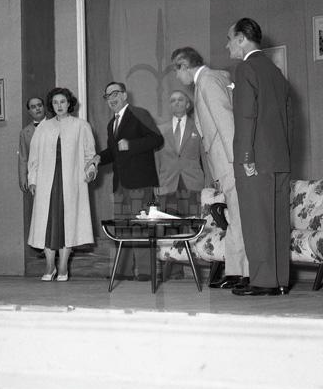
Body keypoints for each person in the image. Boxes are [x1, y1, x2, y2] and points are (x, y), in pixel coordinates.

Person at [171, 46, 249, 289]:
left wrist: (237, 161)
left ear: (184, 66)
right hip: (224, 162)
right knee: (236, 216)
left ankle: (245, 273)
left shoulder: (207, 80)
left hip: (230, 161)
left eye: (176, 70)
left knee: (240, 216)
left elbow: (226, 123)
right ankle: (236, 271)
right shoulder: (208, 80)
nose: (177, 76)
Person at [227, 18, 292, 296]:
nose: (227, 45)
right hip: (279, 159)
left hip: (255, 159)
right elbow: (288, 120)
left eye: (230, 39)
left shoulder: (246, 68)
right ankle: (279, 281)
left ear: (242, 38)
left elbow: (246, 117)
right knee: (277, 222)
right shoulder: (275, 71)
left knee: (257, 222)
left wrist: (246, 158)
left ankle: (263, 281)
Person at [87, 81, 163, 278]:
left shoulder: (139, 114)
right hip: (120, 184)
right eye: (107, 96)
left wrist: (130, 144)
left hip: (140, 182)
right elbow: (114, 152)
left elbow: (157, 139)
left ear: (124, 95)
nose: (111, 99)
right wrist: (98, 158)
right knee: (122, 228)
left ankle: (146, 272)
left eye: (115, 94)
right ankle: (123, 271)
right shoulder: (111, 124)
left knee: (141, 227)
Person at [28, 87, 97, 281]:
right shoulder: (43, 127)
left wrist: (91, 171)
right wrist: (32, 180)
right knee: (47, 225)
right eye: (55, 102)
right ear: (51, 105)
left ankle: (63, 267)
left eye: (63, 101)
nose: (59, 106)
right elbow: (33, 158)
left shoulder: (81, 125)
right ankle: (49, 266)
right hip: (46, 184)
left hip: (71, 182)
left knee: (68, 225)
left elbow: (90, 155)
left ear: (69, 103)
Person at [155, 89, 204, 216]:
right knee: (170, 225)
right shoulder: (160, 130)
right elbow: (156, 160)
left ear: (188, 104)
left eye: (180, 99)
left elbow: (205, 157)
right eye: (173, 100)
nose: (176, 102)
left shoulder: (198, 127)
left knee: (195, 223)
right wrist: (155, 184)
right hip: (167, 184)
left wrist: (210, 183)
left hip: (193, 184)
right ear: (170, 106)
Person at [18, 97, 46, 192]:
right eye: (33, 107)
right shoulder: (25, 132)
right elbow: (23, 158)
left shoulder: (55, 125)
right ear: (29, 111)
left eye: (39, 105)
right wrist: (23, 178)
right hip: (35, 177)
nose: (37, 108)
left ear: (44, 107)